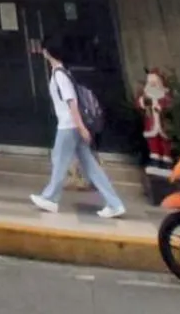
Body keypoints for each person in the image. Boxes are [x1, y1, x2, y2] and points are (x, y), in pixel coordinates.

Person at [30, 44, 126, 219]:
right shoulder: (62, 72)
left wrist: (81, 127)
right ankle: (115, 204)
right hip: (73, 125)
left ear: (48, 52)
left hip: (69, 125)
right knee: (91, 166)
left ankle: (50, 198)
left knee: (59, 161)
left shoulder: (60, 75)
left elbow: (71, 101)